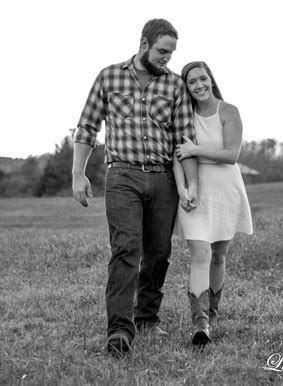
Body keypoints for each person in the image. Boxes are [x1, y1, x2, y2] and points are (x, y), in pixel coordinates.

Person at [72, 19, 198, 357]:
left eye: (171, 53)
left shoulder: (174, 86)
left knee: (158, 254)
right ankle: (119, 331)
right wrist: (77, 174)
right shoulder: (109, 76)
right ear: (144, 43)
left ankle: (146, 318)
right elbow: (87, 125)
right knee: (126, 249)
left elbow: (185, 139)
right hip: (122, 177)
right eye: (162, 51)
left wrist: (191, 184)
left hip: (163, 180)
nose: (166, 58)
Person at [172, 61, 253, 346]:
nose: (199, 85)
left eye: (202, 79)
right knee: (199, 254)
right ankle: (200, 323)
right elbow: (177, 155)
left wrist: (196, 149)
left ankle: (213, 313)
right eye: (192, 82)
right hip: (195, 192)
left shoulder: (229, 111)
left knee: (218, 255)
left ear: (211, 79)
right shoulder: (184, 115)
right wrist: (182, 189)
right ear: (186, 87)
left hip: (226, 190)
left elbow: (231, 154)